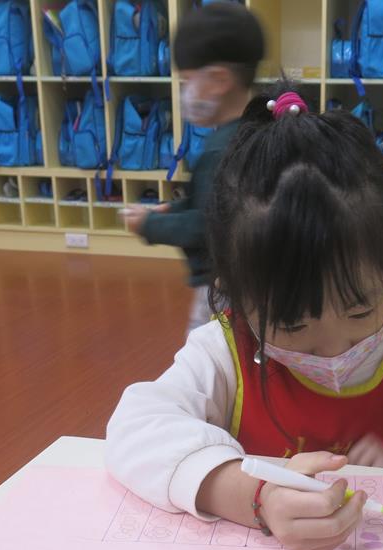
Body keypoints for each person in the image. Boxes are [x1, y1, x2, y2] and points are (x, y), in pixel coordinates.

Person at [107, 89, 383, 550]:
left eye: (360, 311)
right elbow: (136, 427)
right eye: (292, 325)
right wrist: (253, 495)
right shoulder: (224, 353)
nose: (335, 348)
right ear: (234, 291)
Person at [120, 1, 264, 334]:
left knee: (205, 352)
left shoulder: (222, 149)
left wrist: (149, 225)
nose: (185, 93)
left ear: (219, 80)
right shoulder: (255, 127)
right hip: (252, 276)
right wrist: (174, 209)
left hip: (223, 285)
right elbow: (217, 204)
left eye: (187, 81)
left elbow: (207, 225)